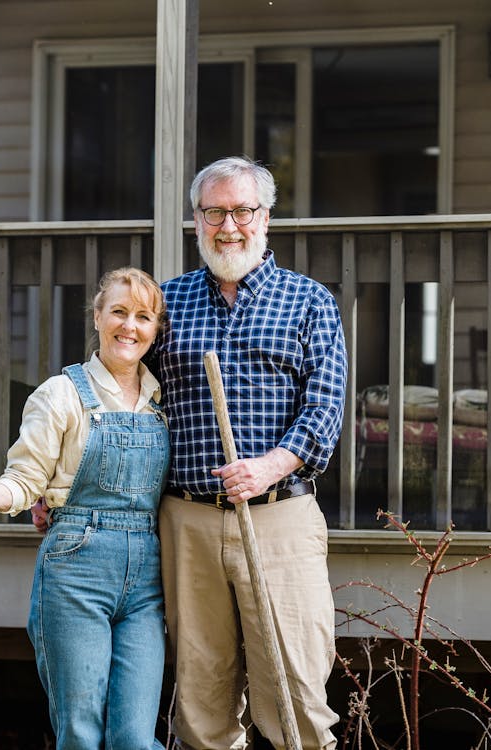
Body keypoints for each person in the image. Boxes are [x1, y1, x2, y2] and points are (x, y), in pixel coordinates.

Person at [155, 156, 347, 749]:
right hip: (186, 520)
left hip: (279, 515)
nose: (229, 225)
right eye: (215, 212)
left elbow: (326, 406)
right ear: (195, 221)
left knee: (296, 700)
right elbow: (120, 402)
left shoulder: (308, 301)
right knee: (201, 700)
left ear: (266, 218)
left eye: (242, 210)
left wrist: (270, 465)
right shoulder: (166, 303)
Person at [0, 267, 170, 750]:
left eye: (144, 317)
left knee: (133, 737)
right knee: (81, 734)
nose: (130, 326)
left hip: (149, 579)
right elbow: (24, 482)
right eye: (120, 312)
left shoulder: (163, 401)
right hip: (76, 569)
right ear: (98, 316)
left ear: (156, 328)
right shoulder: (61, 395)